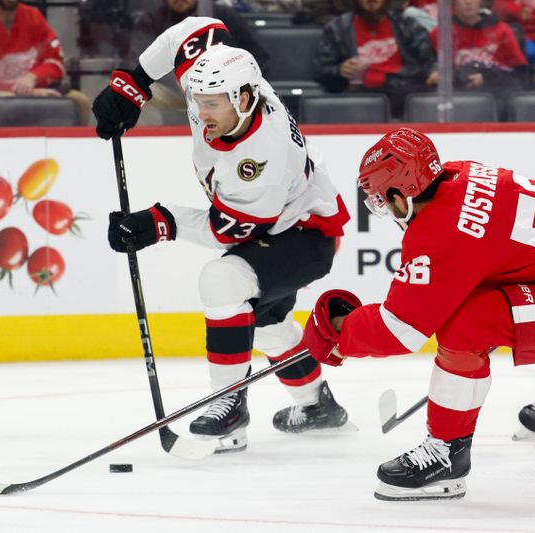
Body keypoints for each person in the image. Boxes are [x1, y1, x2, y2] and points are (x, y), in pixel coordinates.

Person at [302, 127, 535, 500]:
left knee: (467, 326)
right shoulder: (463, 173)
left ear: (401, 196)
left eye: (382, 200)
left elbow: (400, 330)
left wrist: (338, 331)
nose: (385, 209)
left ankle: (446, 455)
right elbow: (485, 256)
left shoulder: (439, 232)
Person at [92, 18, 352, 452]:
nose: (201, 113)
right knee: (264, 320)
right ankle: (316, 405)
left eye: (212, 105)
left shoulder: (261, 165)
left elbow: (223, 230)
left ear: (245, 98)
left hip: (306, 235)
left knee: (224, 281)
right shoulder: (223, 80)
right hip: (277, 223)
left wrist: (160, 222)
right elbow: (195, 28)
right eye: (196, 101)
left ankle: (228, 405)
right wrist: (133, 85)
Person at [120, 0, 270, 126]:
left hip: (223, 96)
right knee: (141, 90)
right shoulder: (151, 20)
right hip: (173, 96)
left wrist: (231, 80)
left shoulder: (223, 15)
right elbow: (134, 66)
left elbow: (258, 57)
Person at [0, 0, 91, 124]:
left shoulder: (33, 16)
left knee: (80, 100)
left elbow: (56, 62)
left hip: (36, 90)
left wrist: (33, 77)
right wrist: (28, 92)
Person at [312, 0, 437, 119]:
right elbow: (322, 70)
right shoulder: (337, 29)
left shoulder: (407, 25)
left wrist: (434, 71)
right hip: (359, 99)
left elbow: (429, 60)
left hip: (403, 93)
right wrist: (340, 71)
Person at [429, 0, 528, 119]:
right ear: (454, 2)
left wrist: (489, 77)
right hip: (457, 94)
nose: (468, 2)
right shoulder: (441, 32)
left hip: (496, 94)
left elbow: (519, 72)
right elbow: (432, 67)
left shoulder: (502, 30)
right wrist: (436, 74)